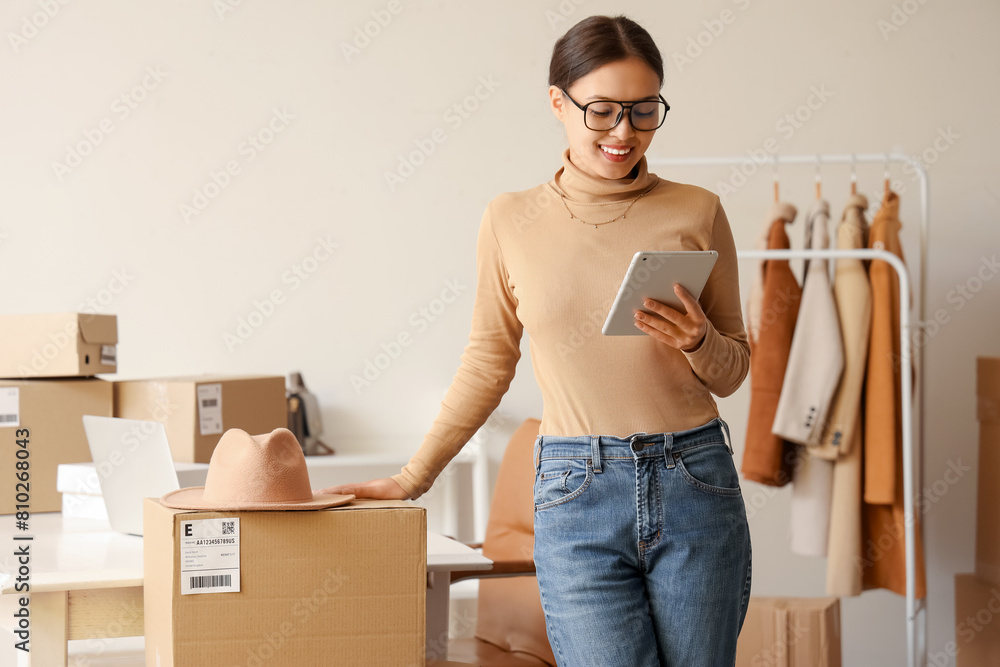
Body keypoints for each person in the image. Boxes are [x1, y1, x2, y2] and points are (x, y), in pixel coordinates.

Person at [318, 14, 752, 667]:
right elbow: (489, 362)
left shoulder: (697, 209)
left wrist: (698, 341)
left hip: (693, 478)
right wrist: (414, 477)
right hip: (577, 492)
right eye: (602, 111)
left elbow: (733, 368)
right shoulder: (510, 218)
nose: (624, 133)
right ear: (558, 102)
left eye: (643, 111)